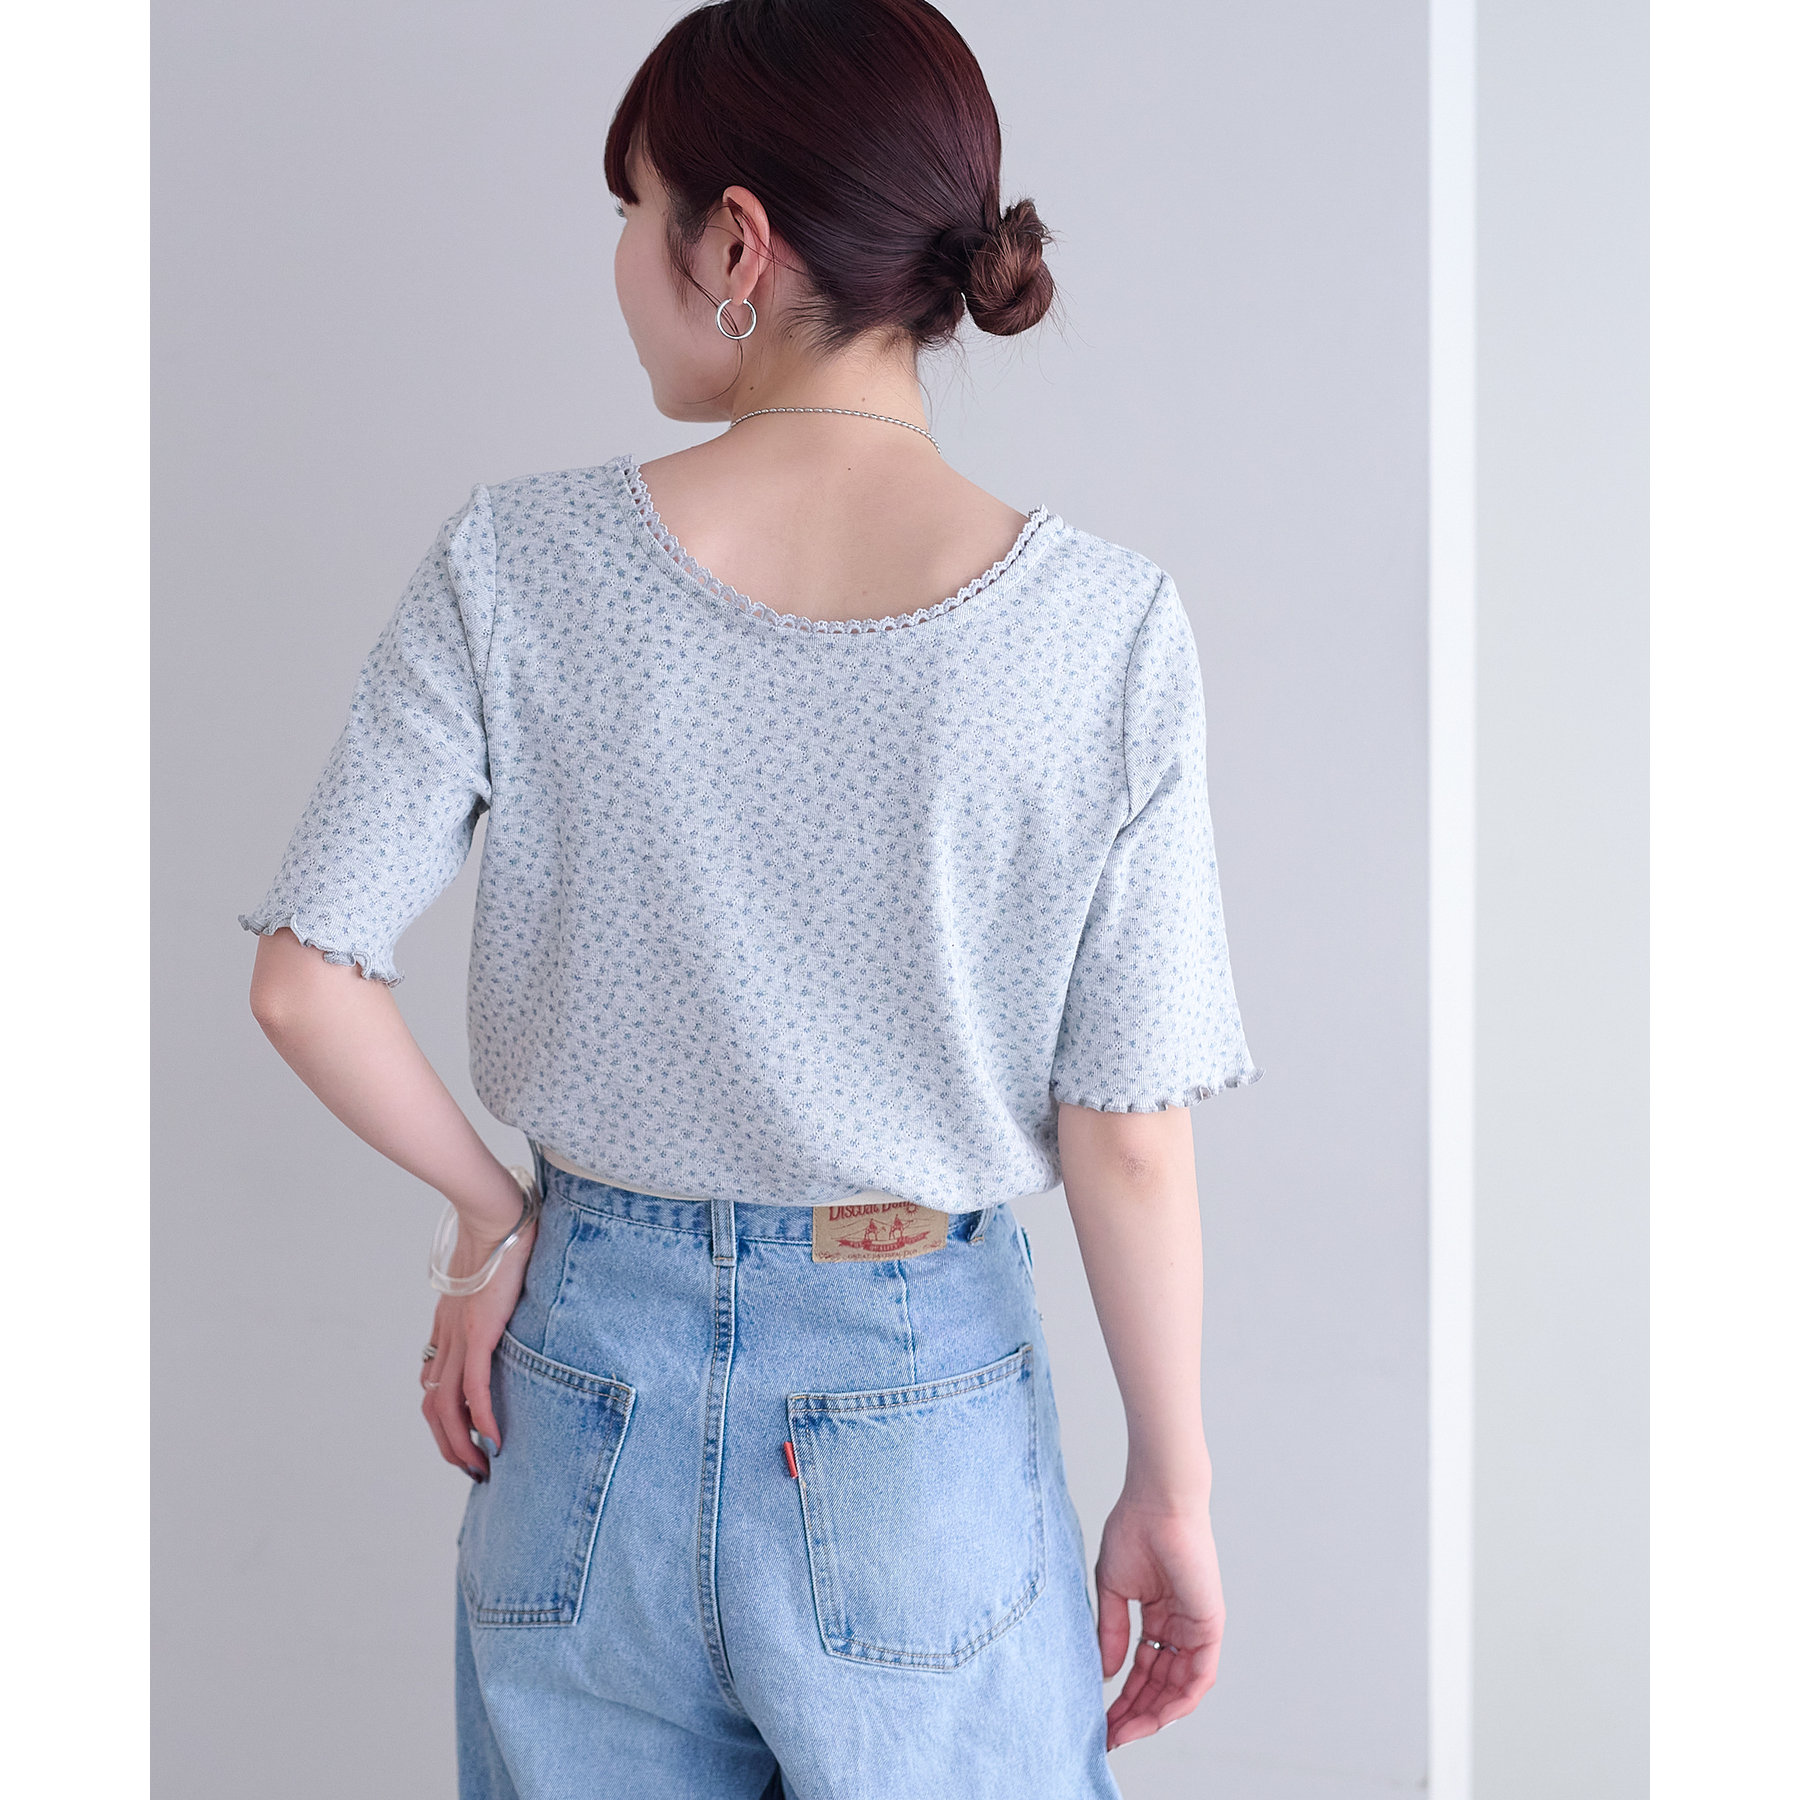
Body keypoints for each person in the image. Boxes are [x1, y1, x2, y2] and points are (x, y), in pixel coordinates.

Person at [238, 2, 1259, 1794]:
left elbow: (304, 979)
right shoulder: (1106, 632)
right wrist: (1170, 1485)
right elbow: (1129, 1135)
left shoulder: (517, 563)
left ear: (735, 243)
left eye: (630, 211)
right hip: (922, 1415)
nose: (618, 263)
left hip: (583, 1397)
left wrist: (489, 1221)